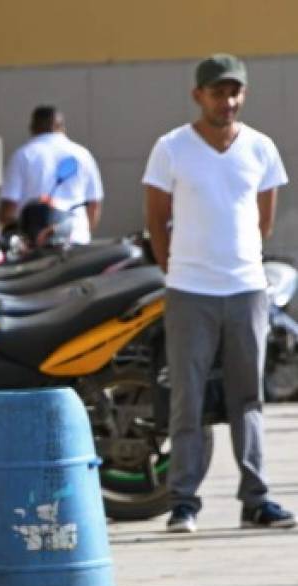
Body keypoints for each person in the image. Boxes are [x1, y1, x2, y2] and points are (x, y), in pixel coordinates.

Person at [142, 53, 295, 533]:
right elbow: (156, 220)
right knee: (188, 398)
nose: (226, 101)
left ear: (242, 95)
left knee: (248, 397)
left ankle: (256, 498)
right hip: (190, 290)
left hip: (247, 289)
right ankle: (183, 501)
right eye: (217, 92)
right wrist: (177, 269)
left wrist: (239, 262)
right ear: (198, 95)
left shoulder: (261, 148)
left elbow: (263, 221)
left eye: (234, 92)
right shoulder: (171, 148)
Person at [0, 105, 104, 246]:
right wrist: (83, 230)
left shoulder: (23, 155)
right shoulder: (83, 154)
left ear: (32, 128)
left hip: (36, 243)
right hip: (76, 240)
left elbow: (8, 207)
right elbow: (94, 204)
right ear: (61, 127)